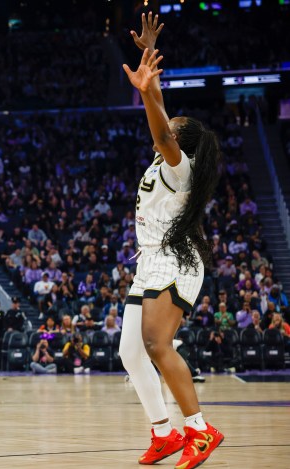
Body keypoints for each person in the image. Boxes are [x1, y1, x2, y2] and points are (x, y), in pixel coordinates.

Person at [119, 13, 223, 469]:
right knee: (129, 352)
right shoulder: (168, 161)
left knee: (158, 344)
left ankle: (199, 431)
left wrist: (146, 94)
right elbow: (159, 110)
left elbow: (160, 128)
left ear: (180, 140)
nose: (166, 116)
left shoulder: (181, 168)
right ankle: (163, 433)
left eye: (173, 123)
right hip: (151, 260)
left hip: (175, 259)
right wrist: (147, 60)